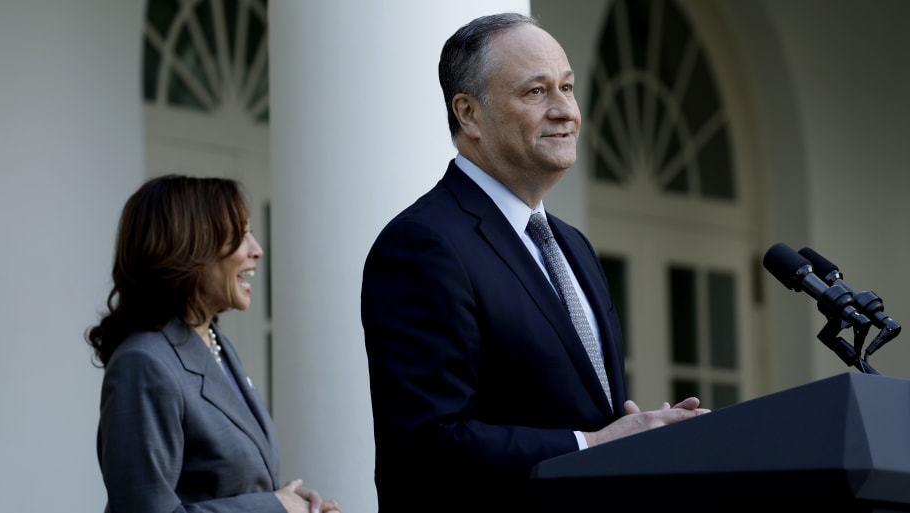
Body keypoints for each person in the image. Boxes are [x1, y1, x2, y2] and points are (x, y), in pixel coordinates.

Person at [360, 12, 710, 512]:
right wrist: (593, 444)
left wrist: (642, 434)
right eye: (536, 92)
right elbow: (427, 445)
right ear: (469, 114)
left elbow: (587, 413)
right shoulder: (423, 245)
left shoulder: (573, 246)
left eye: (567, 88)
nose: (565, 110)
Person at [87, 175, 341, 513]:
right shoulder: (145, 363)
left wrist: (292, 505)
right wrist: (273, 507)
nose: (257, 249)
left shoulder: (213, 343)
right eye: (240, 235)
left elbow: (220, 488)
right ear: (188, 248)